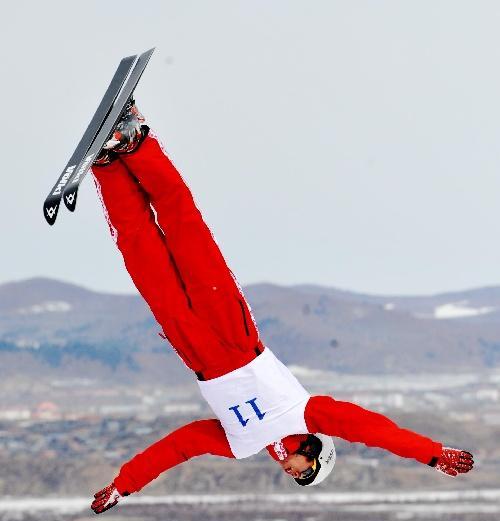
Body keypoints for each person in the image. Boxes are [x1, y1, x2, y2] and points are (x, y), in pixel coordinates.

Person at [89, 102, 474, 514]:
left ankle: (109, 167)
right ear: (315, 453)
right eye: (306, 473)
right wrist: (432, 454)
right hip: (232, 332)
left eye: (298, 479)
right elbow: (373, 431)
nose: (294, 475)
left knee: (139, 249)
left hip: (193, 349)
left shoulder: (241, 445)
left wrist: (124, 485)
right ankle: (138, 145)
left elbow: (178, 447)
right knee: (184, 227)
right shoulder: (306, 416)